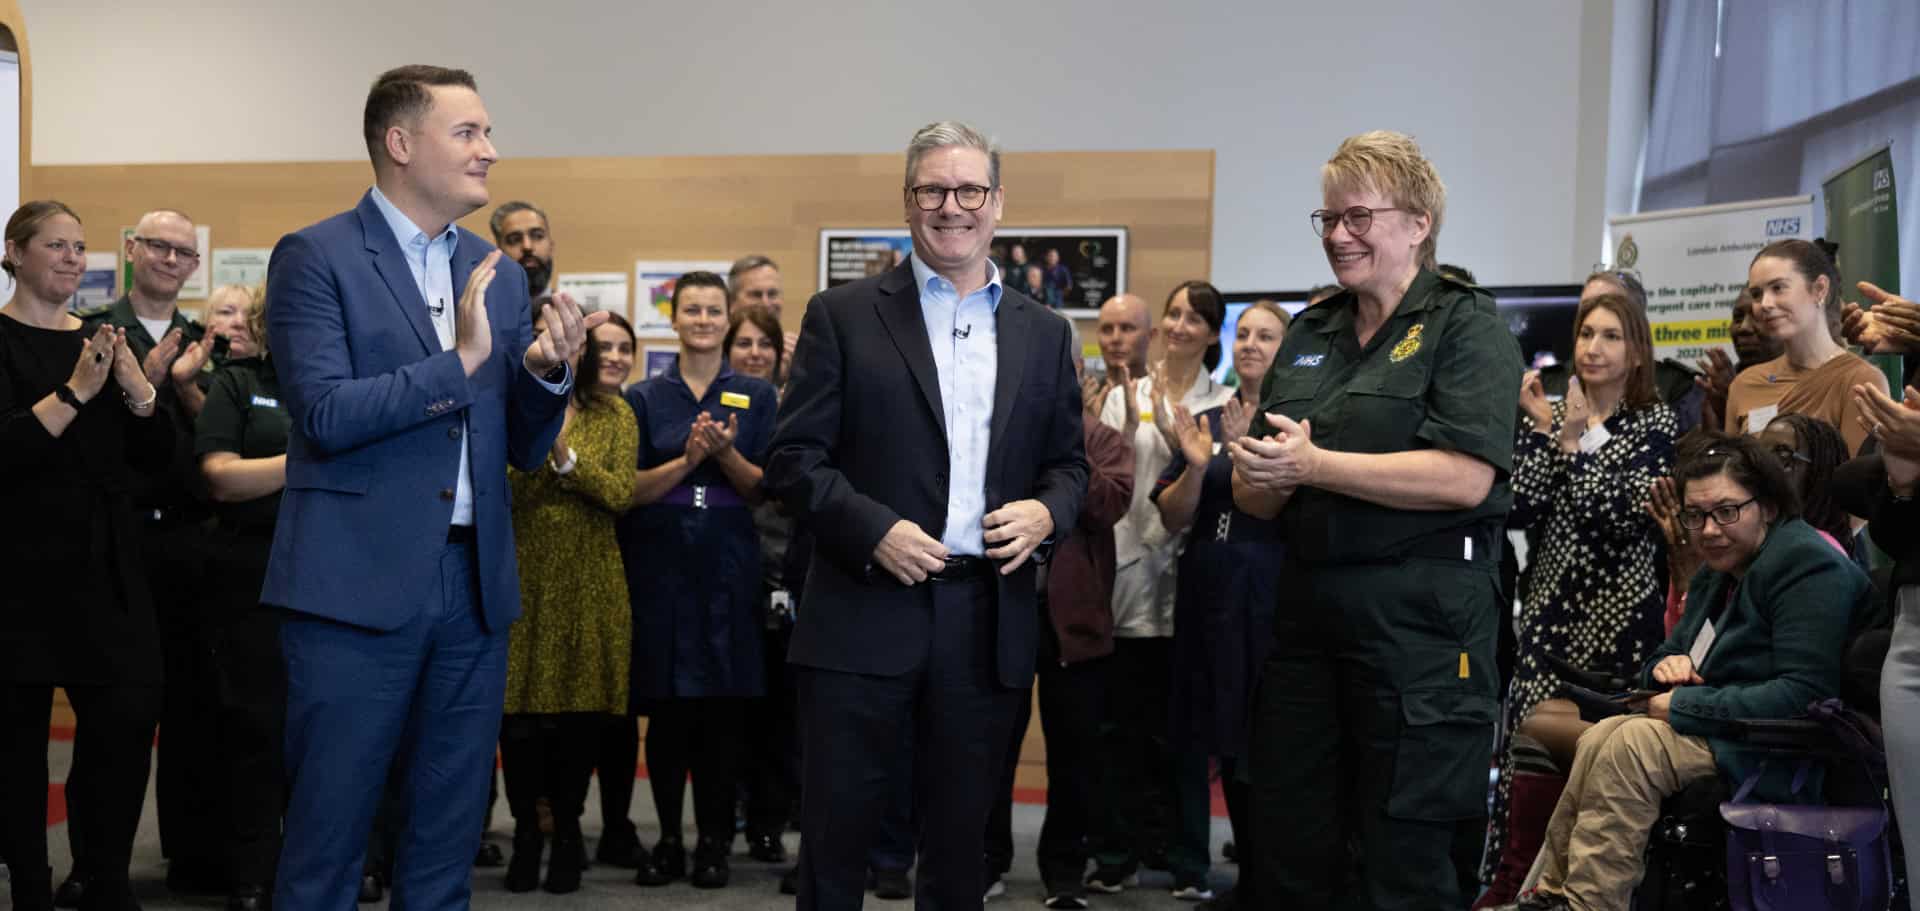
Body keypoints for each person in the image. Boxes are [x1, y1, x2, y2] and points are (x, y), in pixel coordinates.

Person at [262, 65, 601, 911]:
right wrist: (463, 361)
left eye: (487, 132)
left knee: (446, 840)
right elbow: (326, 415)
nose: (491, 150)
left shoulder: (498, 271)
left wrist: (548, 374)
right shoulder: (316, 256)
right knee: (328, 837)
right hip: (351, 587)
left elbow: (521, 447)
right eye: (469, 133)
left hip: (473, 587)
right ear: (401, 143)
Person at [765, 120, 1087, 910]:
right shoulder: (841, 315)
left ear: (998, 203)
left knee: (960, 855)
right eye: (932, 189)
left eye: (969, 188)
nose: (952, 205)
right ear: (908, 203)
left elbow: (1071, 466)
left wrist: (1049, 513)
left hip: (985, 621)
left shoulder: (1045, 334)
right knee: (835, 848)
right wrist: (872, 528)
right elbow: (793, 460)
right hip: (861, 612)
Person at [1229, 130, 1522, 908]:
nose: (1337, 234)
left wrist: (1316, 466)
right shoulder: (1310, 331)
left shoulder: (1467, 327)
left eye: (1357, 216)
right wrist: (1256, 475)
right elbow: (1262, 493)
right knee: (1290, 846)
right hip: (1307, 625)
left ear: (1419, 222)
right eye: (1327, 218)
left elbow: (1465, 475)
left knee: (1407, 857)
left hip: (1422, 632)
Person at [1514, 433, 1871, 911]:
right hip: (1721, 729)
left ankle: (1588, 902)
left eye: (1726, 511)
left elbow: (1804, 694)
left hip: (1776, 750)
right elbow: (1658, 666)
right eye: (1695, 515)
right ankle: (1550, 895)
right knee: (1604, 735)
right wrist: (1665, 669)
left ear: (1766, 505)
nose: (1708, 530)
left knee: (1628, 744)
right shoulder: (1716, 572)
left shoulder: (1807, 565)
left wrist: (1681, 703)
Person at [1473, 292, 1678, 908]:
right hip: (1550, 610)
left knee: (1596, 761)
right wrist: (1542, 433)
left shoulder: (1656, 424)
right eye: (1586, 333)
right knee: (1525, 752)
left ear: (1637, 352)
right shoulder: (1554, 412)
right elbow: (1522, 505)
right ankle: (1512, 883)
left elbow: (1618, 515)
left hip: (1621, 615)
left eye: (1611, 336)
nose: (1592, 346)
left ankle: (1579, 889)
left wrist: (1580, 441)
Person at [0, 199, 172, 911]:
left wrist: (136, 389)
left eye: (80, 247)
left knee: (126, 720)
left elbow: (160, 464)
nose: (73, 258)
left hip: (105, 565)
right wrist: (77, 391)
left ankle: (102, 875)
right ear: (13, 253)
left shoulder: (105, 340)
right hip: (17, 567)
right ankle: (32, 886)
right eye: (55, 245)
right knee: (15, 746)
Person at [75, 206, 225, 899]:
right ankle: (96, 866)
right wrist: (149, 379)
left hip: (196, 543)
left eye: (183, 252)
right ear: (131, 249)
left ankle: (193, 856)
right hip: (121, 541)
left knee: (198, 711)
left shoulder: (211, 343)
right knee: (116, 716)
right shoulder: (93, 331)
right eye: (158, 245)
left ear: (195, 266)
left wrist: (180, 381)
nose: (170, 259)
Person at [618, 270, 777, 889]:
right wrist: (687, 460)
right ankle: (667, 842)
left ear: (728, 318)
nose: (704, 320)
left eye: (715, 310)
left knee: (720, 715)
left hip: (731, 560)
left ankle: (713, 842)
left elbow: (767, 490)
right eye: (693, 310)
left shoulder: (756, 396)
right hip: (661, 560)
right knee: (667, 712)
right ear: (674, 318)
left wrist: (724, 454)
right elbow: (628, 492)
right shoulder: (644, 397)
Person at [1087, 280, 1234, 900]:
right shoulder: (1128, 397)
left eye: (1192, 318)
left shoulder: (1224, 403)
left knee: (1182, 733)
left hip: (1191, 578)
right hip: (1123, 570)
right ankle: (1116, 854)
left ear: (1209, 332)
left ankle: (1184, 860)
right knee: (1118, 725)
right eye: (1172, 314)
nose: (1178, 326)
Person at [983, 325, 1134, 909]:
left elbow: (1106, 505)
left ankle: (1064, 872)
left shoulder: (1104, 440)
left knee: (1076, 758)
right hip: (1003, 613)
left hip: (1078, 624)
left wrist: (1066, 443)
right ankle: (987, 858)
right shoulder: (997, 436)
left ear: (1076, 376)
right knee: (992, 747)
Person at [1152, 300, 1289, 910]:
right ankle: (1213, 867)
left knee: (1263, 741)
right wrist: (1202, 464)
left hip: (1272, 595)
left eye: (1267, 336)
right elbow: (1173, 514)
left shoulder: (1298, 423)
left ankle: (1266, 873)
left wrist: (1242, 458)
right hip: (1208, 587)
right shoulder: (1204, 420)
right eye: (1244, 334)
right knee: (1207, 728)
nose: (1251, 344)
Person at [497, 303, 637, 894]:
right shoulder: (505, 411)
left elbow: (620, 493)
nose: (557, 344)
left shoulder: (613, 411)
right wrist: (543, 452)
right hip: (523, 577)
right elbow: (505, 490)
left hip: (591, 581)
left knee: (580, 720)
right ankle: (527, 831)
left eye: (568, 337)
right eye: (541, 335)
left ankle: (569, 835)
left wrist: (565, 461)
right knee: (520, 719)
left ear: (582, 347)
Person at [191, 284, 288, 911]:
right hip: (251, 572)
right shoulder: (235, 381)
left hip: (338, 575)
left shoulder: (346, 378)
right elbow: (220, 478)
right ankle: (251, 872)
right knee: (255, 728)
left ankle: (337, 861)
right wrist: (306, 460)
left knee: (334, 732)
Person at [1724, 239, 1887, 455]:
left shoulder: (1859, 380)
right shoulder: (1745, 385)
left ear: (1819, 289)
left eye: (1778, 288)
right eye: (1757, 294)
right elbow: (1730, 477)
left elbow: (1859, 482)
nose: (1765, 304)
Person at [1696, 289, 1784, 431]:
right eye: (1737, 318)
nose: (1744, 328)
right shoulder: (1714, 386)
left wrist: (1735, 398)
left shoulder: (1806, 382)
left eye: (1758, 317)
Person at [728, 254, 796, 369]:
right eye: (756, 294)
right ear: (732, 302)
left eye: (772, 294)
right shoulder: (714, 354)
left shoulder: (795, 352)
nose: (766, 303)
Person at [490, 200, 554, 302]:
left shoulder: (575, 314)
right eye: (514, 239)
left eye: (537, 236)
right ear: (499, 250)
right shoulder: (483, 312)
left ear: (551, 246)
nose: (527, 246)